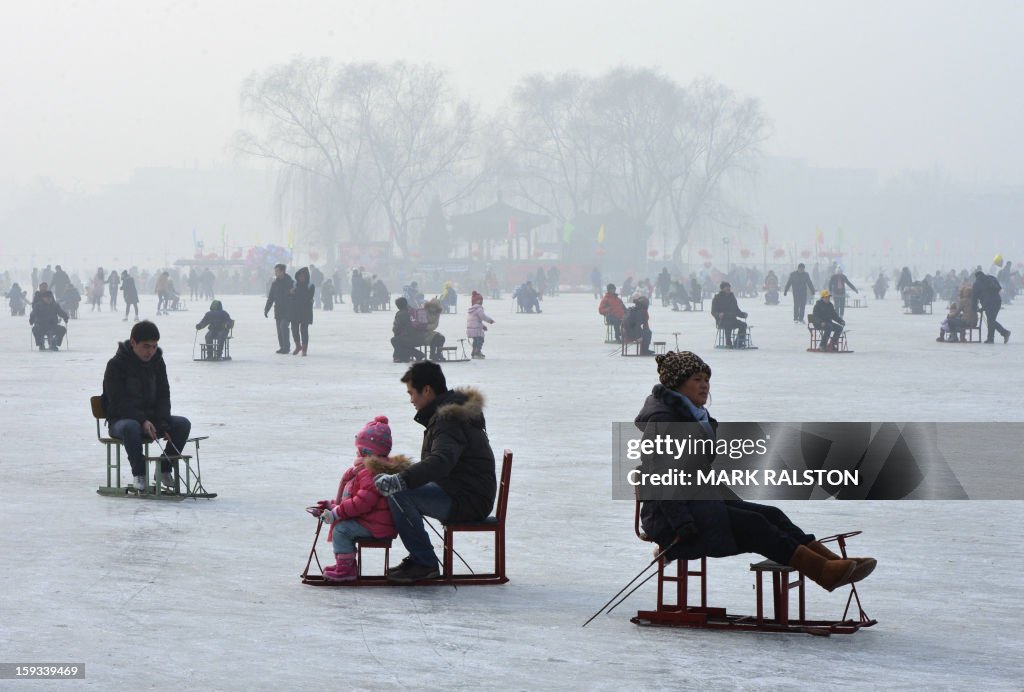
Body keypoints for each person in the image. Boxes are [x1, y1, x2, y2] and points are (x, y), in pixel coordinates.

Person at [635, 350, 876, 592]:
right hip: (672, 521)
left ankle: (833, 563)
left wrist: (732, 504)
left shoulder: (694, 418)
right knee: (756, 525)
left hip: (697, 504)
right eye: (697, 379)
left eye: (706, 379)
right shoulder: (666, 422)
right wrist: (681, 525)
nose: (705, 385)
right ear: (677, 384)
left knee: (772, 514)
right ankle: (824, 572)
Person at [373, 362, 497, 583]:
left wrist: (402, 479)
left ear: (427, 390)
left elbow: (441, 461)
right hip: (465, 491)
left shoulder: (448, 419)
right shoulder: (448, 413)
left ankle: (423, 563)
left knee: (400, 493)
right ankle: (421, 559)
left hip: (467, 499)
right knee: (403, 487)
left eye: (412, 393)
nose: (411, 399)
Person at [308, 416, 411, 582]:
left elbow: (362, 504)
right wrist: (331, 505)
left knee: (341, 530)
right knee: (342, 527)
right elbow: (357, 501)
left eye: (360, 449)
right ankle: (345, 565)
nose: (357, 451)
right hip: (373, 521)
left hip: (376, 526)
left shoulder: (370, 473)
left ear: (367, 452)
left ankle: (346, 570)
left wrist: (336, 513)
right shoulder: (368, 470)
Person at [102, 320, 192, 493]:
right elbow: (118, 402)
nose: (150, 351)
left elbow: (163, 395)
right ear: (133, 342)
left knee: (182, 424)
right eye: (146, 346)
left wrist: (163, 422)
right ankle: (139, 473)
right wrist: (142, 420)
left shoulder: (157, 362)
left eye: (154, 346)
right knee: (131, 426)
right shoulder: (116, 365)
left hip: (151, 420)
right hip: (121, 420)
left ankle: (164, 470)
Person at [972, 271, 1011, 344]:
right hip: (997, 301)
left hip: (988, 303)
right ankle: (991, 338)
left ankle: (1004, 333)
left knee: (991, 320)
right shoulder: (992, 278)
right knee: (991, 320)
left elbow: (974, 298)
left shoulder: (976, 283)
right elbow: (999, 288)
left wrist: (974, 308)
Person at [264, 264, 294, 354]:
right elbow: (271, 298)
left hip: (288, 309)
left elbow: (294, 295)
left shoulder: (290, 282)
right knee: (279, 329)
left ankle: (286, 347)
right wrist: (266, 309)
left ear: (282, 271)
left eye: (277, 271)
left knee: (284, 326)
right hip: (278, 309)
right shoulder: (275, 283)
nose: (275, 273)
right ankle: (282, 347)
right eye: (275, 271)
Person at [710, 281, 748, 348]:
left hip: (733, 319)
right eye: (727, 287)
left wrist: (742, 314)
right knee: (728, 325)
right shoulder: (717, 298)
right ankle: (728, 343)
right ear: (722, 289)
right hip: (722, 320)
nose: (729, 289)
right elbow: (713, 311)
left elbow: (736, 310)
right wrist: (718, 315)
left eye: (729, 287)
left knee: (743, 325)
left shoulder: (732, 297)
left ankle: (739, 342)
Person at [391, 296, 425, 362]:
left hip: (409, 339)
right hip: (421, 337)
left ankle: (416, 354)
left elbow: (397, 329)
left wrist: (396, 332)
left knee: (394, 340)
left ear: (398, 306)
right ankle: (403, 356)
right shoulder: (414, 311)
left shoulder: (401, 314)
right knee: (400, 341)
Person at [290, 266, 314, 356]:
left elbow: (307, 297)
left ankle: (304, 349)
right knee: (294, 330)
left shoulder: (310, 285)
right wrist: (291, 293)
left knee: (304, 330)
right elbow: (290, 296)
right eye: (300, 276)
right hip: (295, 311)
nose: (301, 278)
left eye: (303, 276)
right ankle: (298, 346)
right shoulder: (294, 285)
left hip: (305, 311)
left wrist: (295, 293)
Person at [466, 290, 495, 359]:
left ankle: (473, 352)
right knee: (480, 339)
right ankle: (477, 352)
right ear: (479, 301)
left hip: (471, 329)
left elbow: (476, 321)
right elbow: (483, 317)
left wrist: (483, 326)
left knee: (476, 340)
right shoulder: (478, 308)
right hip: (476, 329)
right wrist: (490, 320)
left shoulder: (472, 309)